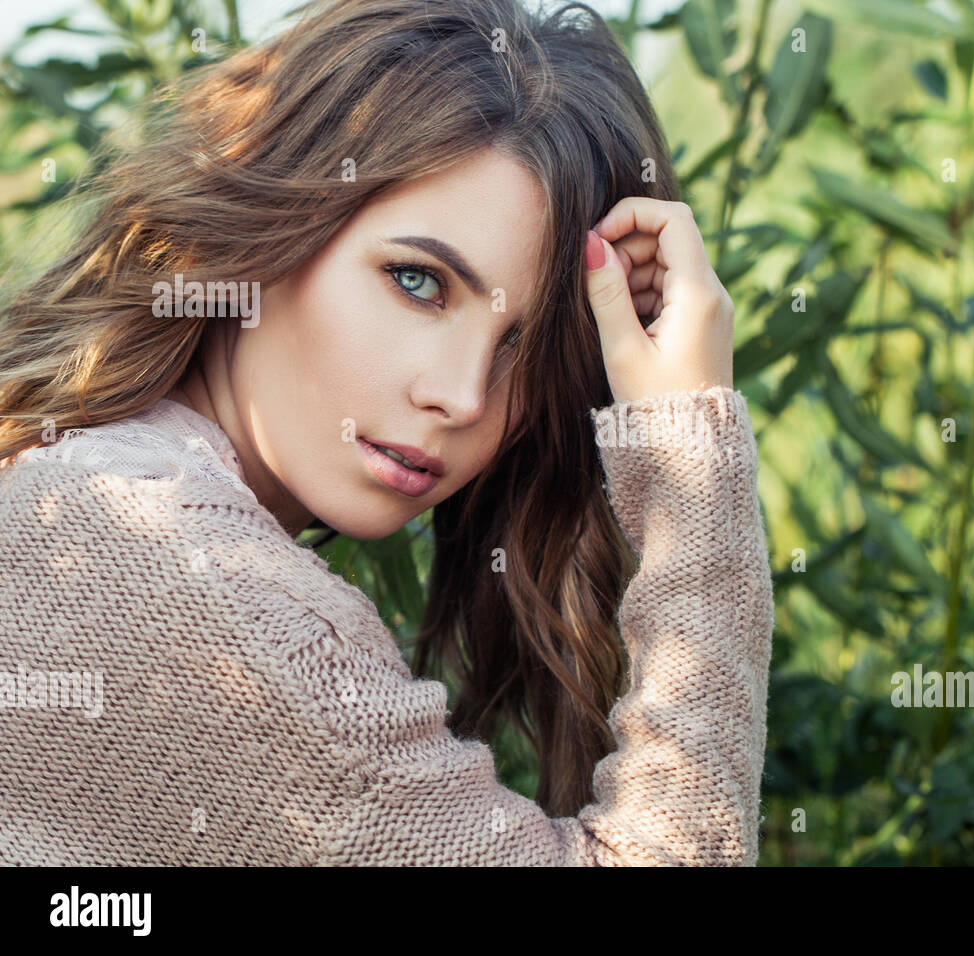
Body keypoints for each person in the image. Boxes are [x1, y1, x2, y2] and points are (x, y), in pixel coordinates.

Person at [0, 0, 774, 865]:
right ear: (266, 223)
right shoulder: (182, 570)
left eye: (528, 345)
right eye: (417, 281)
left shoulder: (71, 481)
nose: (465, 396)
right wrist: (689, 462)